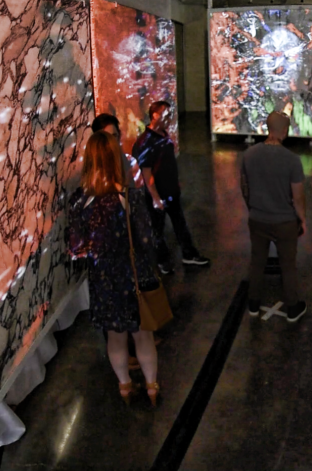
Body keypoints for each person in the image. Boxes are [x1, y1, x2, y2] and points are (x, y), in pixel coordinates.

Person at [69, 132, 161, 406]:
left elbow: (76, 247)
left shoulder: (80, 200)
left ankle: (124, 387)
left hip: (103, 279)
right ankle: (152, 388)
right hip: (132, 275)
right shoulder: (128, 195)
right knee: (143, 336)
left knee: (115, 337)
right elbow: (147, 239)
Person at [241, 112, 308, 322]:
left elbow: (245, 187)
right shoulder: (292, 160)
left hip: (257, 218)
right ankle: (292, 308)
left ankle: (253, 304)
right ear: (285, 131)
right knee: (288, 265)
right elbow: (298, 197)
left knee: (257, 261)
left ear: (267, 127)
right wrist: (302, 219)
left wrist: (253, 208)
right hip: (285, 222)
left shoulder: (249, 154)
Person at [132, 100, 210, 274]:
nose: (170, 118)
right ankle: (163, 261)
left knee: (179, 223)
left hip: (170, 191)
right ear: (155, 115)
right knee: (158, 229)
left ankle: (188, 254)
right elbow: (146, 173)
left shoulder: (162, 135)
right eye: (166, 114)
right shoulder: (146, 142)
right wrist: (155, 198)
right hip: (158, 194)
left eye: (170, 114)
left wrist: (174, 182)